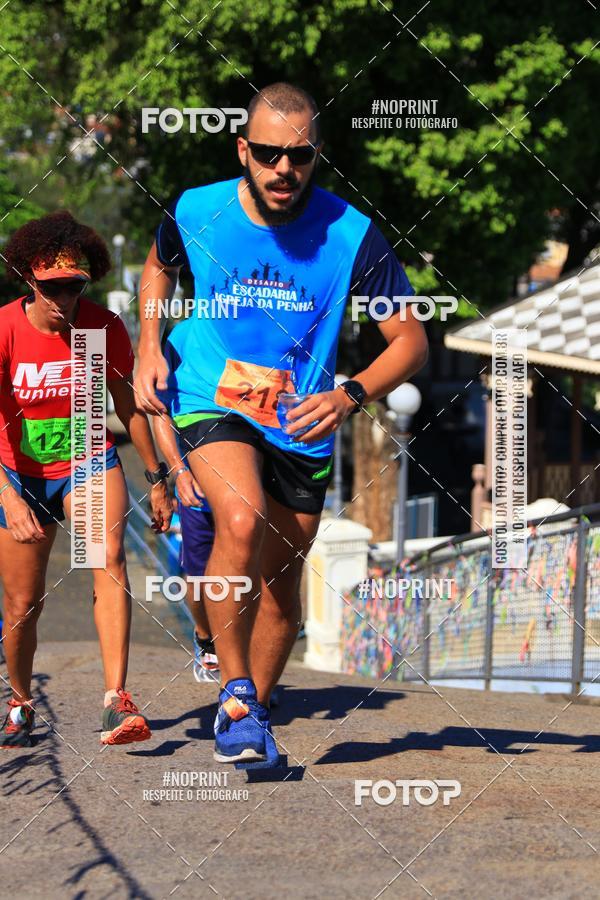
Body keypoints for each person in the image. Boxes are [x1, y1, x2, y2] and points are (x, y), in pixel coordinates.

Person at [134, 82, 428, 764]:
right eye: (267, 154)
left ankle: (250, 713)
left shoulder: (351, 235)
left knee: (280, 589)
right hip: (213, 392)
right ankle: (234, 692)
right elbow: (158, 269)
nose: (282, 170)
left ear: (316, 156)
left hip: (301, 418)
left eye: (297, 157)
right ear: (244, 149)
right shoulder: (196, 209)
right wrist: (150, 343)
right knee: (238, 520)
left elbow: (412, 342)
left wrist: (351, 394)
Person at [0, 211, 172, 749]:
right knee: (22, 605)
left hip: (85, 458)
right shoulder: (5, 329)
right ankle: (21, 701)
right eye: (52, 287)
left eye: (74, 285)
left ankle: (115, 701)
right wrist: (8, 494)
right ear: (30, 279)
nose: (63, 297)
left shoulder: (99, 328)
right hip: (18, 472)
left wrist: (157, 475)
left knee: (108, 557)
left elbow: (128, 405)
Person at [152, 320, 220, 683]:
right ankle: (205, 637)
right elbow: (161, 410)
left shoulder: (264, 326)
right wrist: (178, 471)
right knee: (198, 577)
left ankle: (251, 671)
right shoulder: (182, 336)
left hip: (253, 483)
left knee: (257, 574)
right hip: (197, 483)